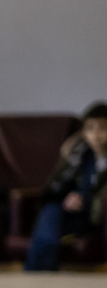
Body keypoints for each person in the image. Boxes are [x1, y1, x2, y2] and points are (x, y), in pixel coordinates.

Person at [25, 102, 107, 271]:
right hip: (77, 216)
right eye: (90, 129)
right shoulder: (78, 156)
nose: (96, 134)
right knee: (51, 211)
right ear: (83, 132)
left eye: (102, 128)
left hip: (99, 219)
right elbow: (55, 188)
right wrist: (66, 199)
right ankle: (38, 272)